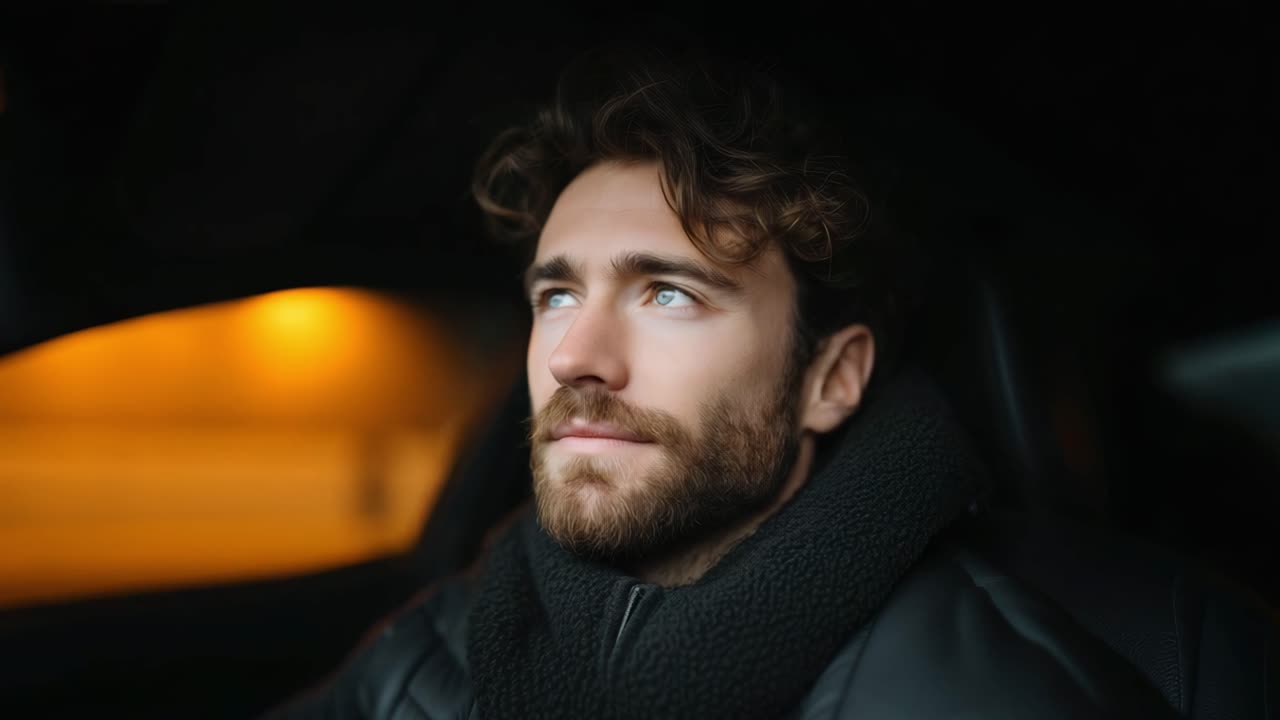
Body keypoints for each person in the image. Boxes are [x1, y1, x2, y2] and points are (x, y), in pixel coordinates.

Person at [264, 47, 1174, 719]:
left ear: (832, 379)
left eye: (666, 292)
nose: (577, 355)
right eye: (558, 294)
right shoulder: (450, 635)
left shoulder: (989, 697)